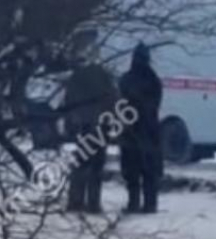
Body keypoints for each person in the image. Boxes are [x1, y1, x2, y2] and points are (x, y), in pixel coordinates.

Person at [64, 43, 118, 214]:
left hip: (82, 125)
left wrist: (71, 125)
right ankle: (93, 203)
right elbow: (113, 99)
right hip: (100, 125)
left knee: (80, 163)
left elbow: (68, 101)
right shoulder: (104, 76)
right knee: (96, 165)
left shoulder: (76, 77)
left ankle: (75, 201)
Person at [118, 43, 163, 214]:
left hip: (130, 130)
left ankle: (133, 203)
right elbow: (155, 104)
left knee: (131, 171)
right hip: (149, 130)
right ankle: (150, 204)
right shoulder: (154, 79)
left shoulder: (126, 78)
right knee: (149, 171)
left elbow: (120, 103)